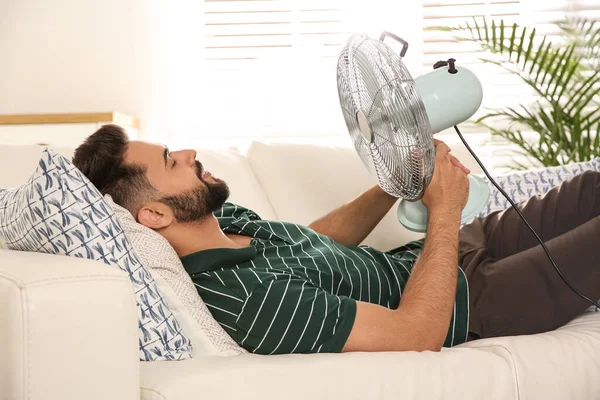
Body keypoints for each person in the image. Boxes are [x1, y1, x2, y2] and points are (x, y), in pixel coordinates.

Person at [73, 124, 600, 354]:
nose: (188, 153)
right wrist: (444, 211)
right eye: (171, 162)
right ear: (155, 214)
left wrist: (393, 183)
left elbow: (308, 243)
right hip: (473, 302)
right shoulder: (245, 300)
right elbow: (416, 335)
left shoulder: (221, 219)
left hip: (445, 254)